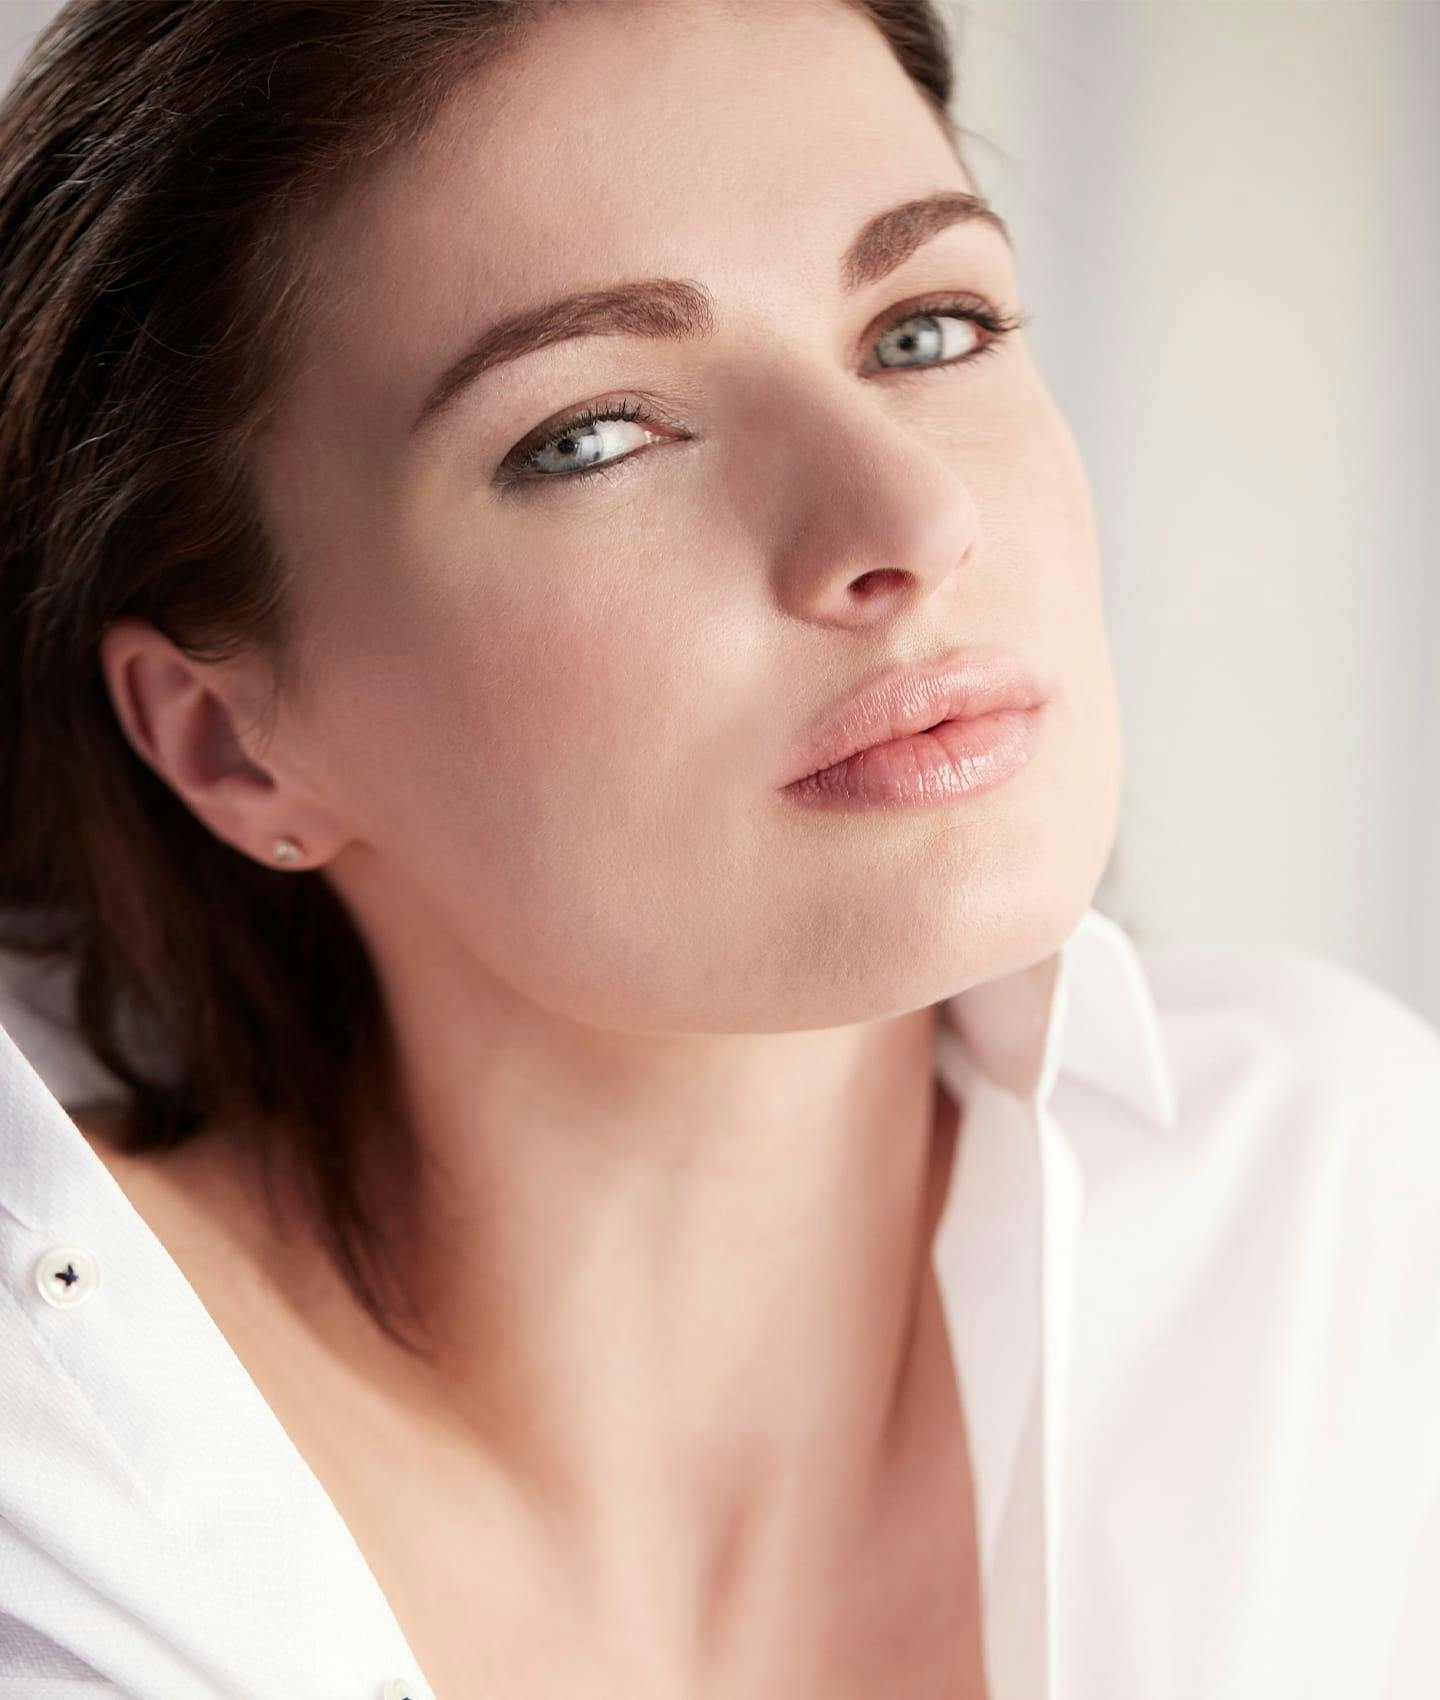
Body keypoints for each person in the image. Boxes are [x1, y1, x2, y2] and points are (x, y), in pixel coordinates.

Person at [1, 2, 1438, 1697]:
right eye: (592, 433)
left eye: (927, 328)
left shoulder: (1340, 1224)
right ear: (232, 742)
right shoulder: (58, 1499)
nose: (909, 522)